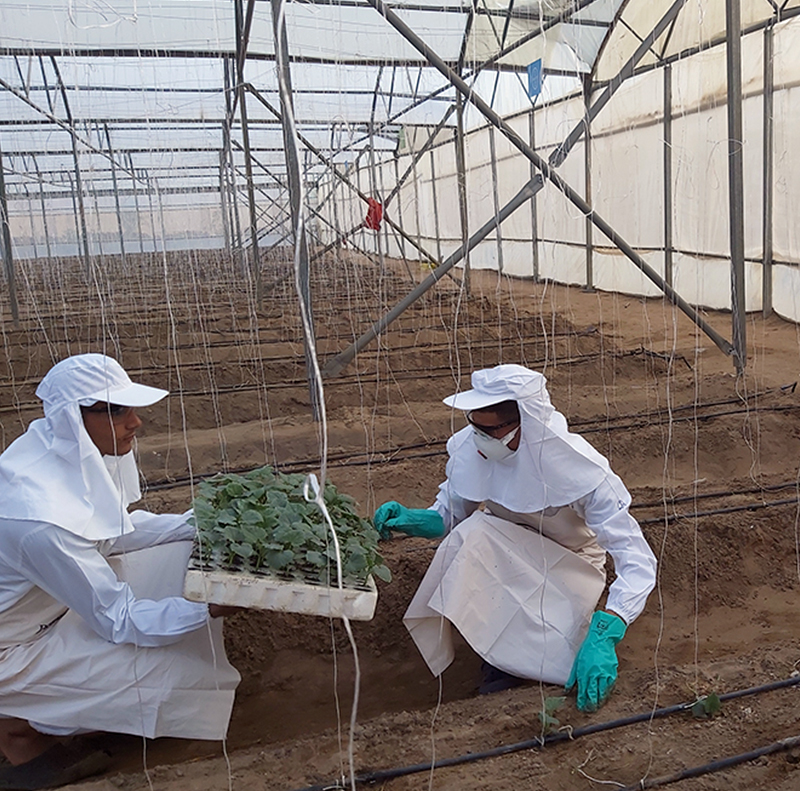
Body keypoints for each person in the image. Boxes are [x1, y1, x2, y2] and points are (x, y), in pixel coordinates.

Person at [0, 354, 240, 789]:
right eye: (115, 410)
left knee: (181, 552)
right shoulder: (40, 518)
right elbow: (118, 619)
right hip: (10, 648)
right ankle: (20, 729)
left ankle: (30, 718)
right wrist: (208, 607)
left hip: (43, 612)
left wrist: (203, 521)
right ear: (73, 418)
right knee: (174, 677)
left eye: (131, 408)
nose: (135, 422)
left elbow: (112, 534)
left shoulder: (59, 455)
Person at [374, 364, 656, 710]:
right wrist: (417, 519)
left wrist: (609, 627)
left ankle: (538, 657)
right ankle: (498, 665)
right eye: (474, 426)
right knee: (473, 533)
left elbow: (636, 560)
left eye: (490, 430)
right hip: (504, 555)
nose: (479, 438)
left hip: (570, 565)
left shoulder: (580, 471)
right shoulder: (474, 450)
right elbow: (451, 510)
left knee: (549, 638)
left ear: (527, 423)